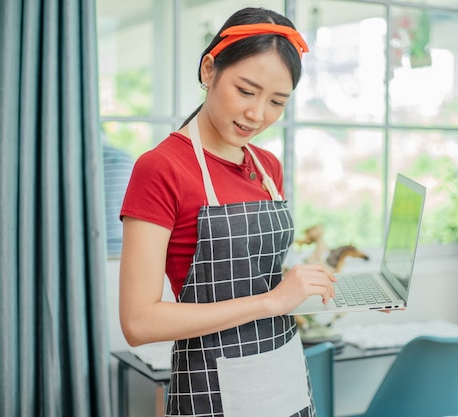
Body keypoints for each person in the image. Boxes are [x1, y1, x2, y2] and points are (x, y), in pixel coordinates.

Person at [118, 7, 337, 417]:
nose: (258, 114)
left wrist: (329, 286)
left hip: (284, 377)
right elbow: (138, 323)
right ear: (208, 70)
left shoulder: (267, 166)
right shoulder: (161, 168)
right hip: (210, 390)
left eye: (277, 101)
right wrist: (272, 302)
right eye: (246, 91)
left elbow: (258, 274)